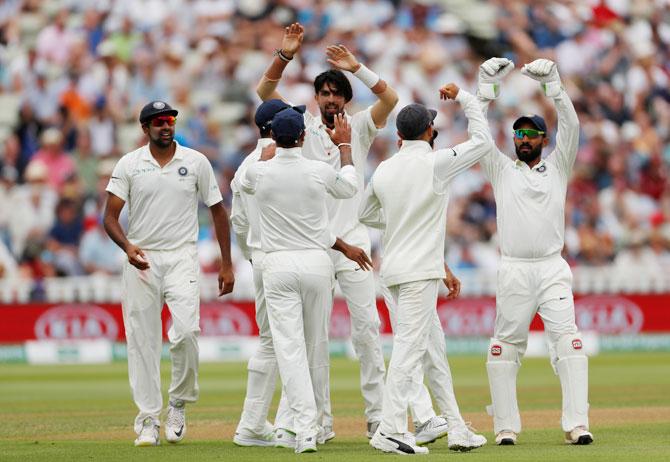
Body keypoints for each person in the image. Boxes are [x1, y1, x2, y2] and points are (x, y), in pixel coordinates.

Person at [256, 22, 397, 441]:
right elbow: (265, 94)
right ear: (316, 99)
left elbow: (391, 99)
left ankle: (377, 418)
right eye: (324, 93)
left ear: (346, 99)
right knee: (314, 343)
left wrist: (357, 67)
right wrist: (285, 54)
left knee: (367, 332)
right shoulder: (300, 125)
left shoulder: (361, 127)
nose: (330, 98)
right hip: (316, 248)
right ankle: (319, 423)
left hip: (355, 241)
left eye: (337, 93)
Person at [359, 83, 493, 455]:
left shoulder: (385, 169)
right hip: (418, 275)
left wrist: (399, 221)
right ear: (429, 132)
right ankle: (388, 430)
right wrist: (467, 98)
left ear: (399, 135)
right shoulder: (436, 161)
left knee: (434, 353)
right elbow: (483, 141)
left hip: (397, 272)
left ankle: (457, 428)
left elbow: (364, 214)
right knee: (410, 351)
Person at [240, 106, 372, 453]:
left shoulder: (260, 173)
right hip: (316, 263)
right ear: (301, 137)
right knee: (315, 345)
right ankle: (311, 426)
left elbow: (242, 182)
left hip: (278, 265)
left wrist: (265, 157)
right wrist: (344, 146)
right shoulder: (316, 170)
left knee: (290, 350)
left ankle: (302, 429)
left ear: (275, 138)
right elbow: (349, 187)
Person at [476, 57, 593, 446]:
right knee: (502, 350)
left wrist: (555, 87)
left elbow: (572, 127)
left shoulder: (559, 166)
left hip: (550, 268)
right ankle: (505, 428)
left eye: (531, 133)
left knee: (570, 346)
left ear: (543, 140)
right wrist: (484, 90)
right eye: (518, 134)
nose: (523, 138)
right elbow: (478, 136)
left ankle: (576, 425)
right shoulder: (501, 169)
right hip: (513, 269)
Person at [103, 100, 235, 447]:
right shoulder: (130, 164)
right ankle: (147, 419)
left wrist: (226, 262)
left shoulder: (195, 162)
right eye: (159, 122)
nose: (166, 126)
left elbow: (218, 212)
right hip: (142, 257)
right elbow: (110, 217)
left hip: (182, 256)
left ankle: (177, 404)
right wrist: (128, 247)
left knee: (187, 332)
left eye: (170, 120)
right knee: (143, 342)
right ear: (145, 128)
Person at [230, 99, 292, 447]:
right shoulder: (273, 163)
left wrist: (251, 256)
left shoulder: (244, 166)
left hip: (261, 259)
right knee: (287, 343)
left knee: (271, 341)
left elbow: (239, 222)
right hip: (285, 259)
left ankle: (255, 422)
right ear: (274, 126)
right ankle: (268, 424)